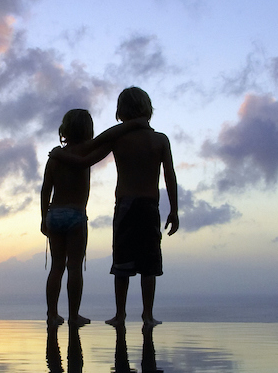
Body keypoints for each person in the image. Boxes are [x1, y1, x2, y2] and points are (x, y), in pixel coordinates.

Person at [52, 87, 178, 327]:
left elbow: (85, 158)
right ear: (147, 109)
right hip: (150, 205)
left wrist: (58, 154)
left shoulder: (120, 137)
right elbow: (170, 177)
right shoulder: (160, 139)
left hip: (126, 205)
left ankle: (121, 314)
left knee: (123, 262)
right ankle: (147, 315)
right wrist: (174, 209)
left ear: (121, 111)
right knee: (148, 264)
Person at [41, 110, 149, 326]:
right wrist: (136, 122)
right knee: (74, 268)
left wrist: (44, 217)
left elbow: (45, 190)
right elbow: (110, 136)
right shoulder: (85, 151)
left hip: (55, 214)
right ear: (88, 130)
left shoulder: (53, 158)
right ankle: (73, 315)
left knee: (56, 267)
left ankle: (52, 315)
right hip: (76, 215)